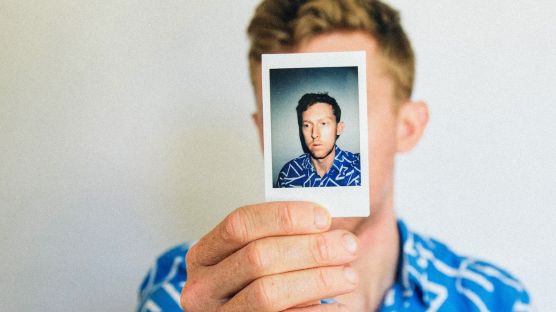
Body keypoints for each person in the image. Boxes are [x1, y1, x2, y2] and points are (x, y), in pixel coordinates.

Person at [137, 0, 531, 311]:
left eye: (353, 109)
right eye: (303, 125)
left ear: (407, 126)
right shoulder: (189, 285)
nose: (315, 136)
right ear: (263, 134)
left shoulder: (494, 299)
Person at [276, 92, 361, 188]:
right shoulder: (288, 174)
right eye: (307, 125)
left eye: (323, 123)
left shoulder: (361, 170)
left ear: (339, 128)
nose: (314, 134)